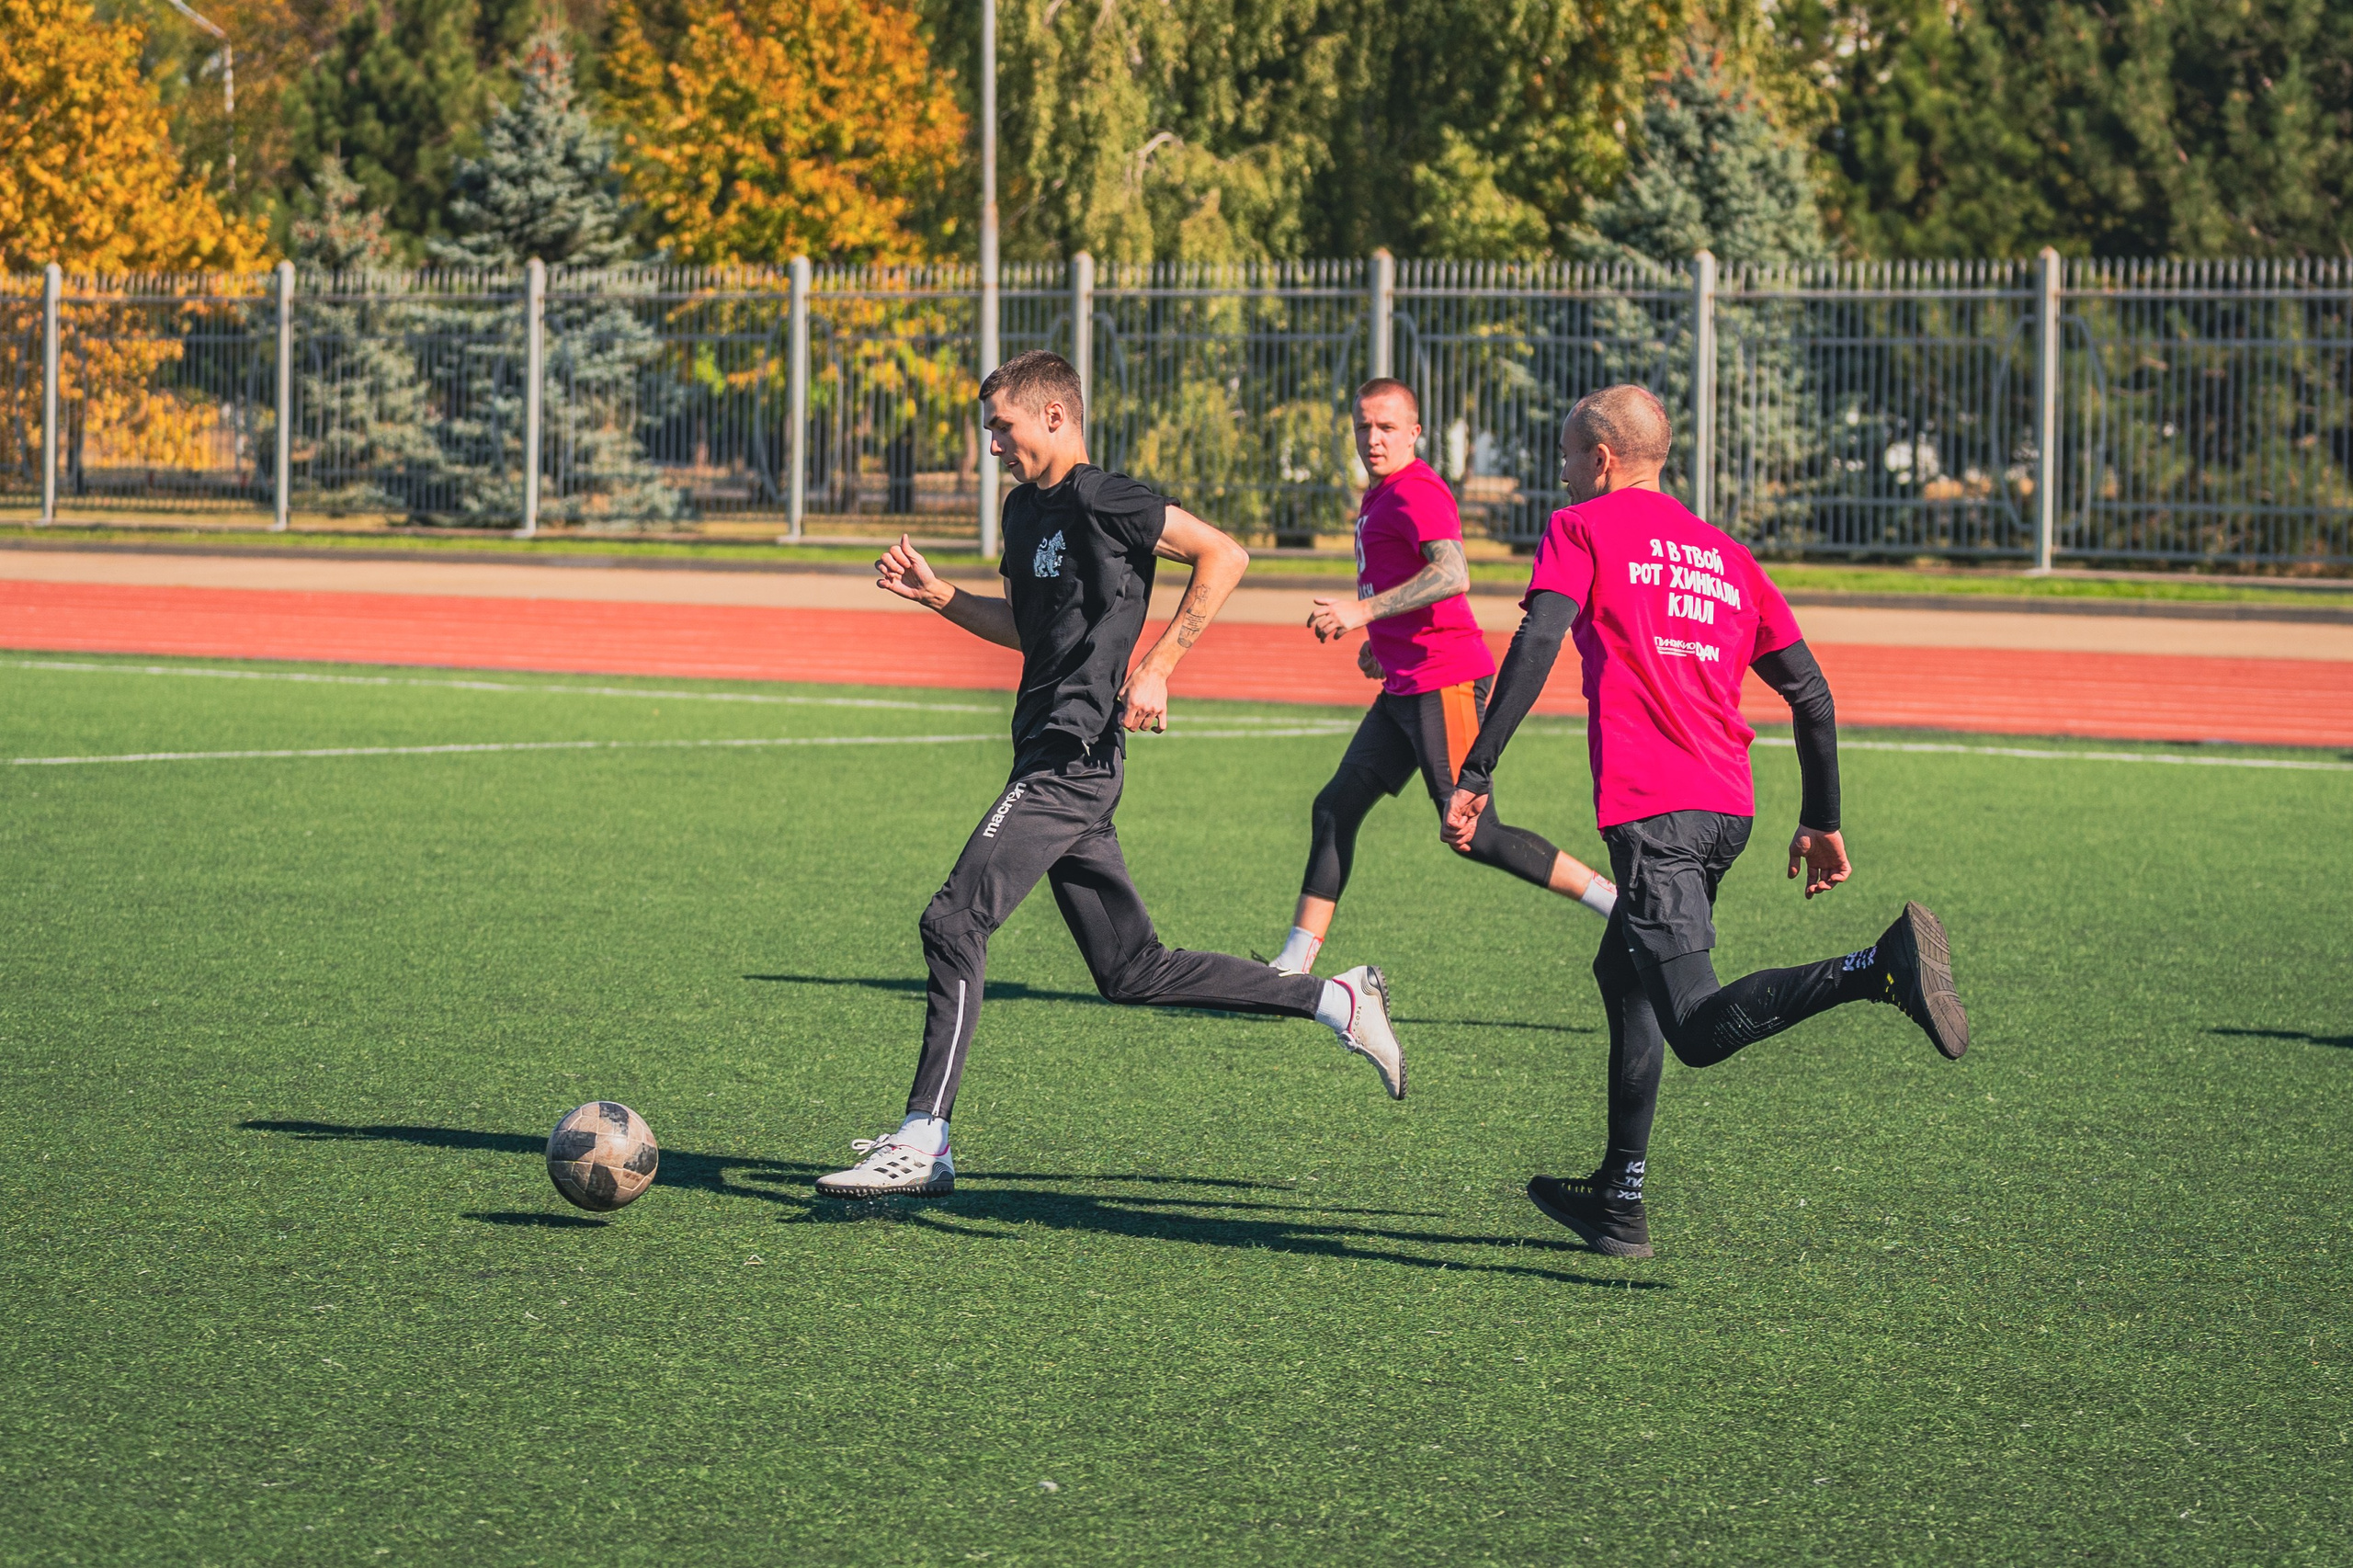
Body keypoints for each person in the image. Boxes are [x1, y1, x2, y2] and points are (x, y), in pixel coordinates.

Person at [816, 350, 1409, 1200]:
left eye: (1003, 427)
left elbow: (1225, 555)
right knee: (1133, 970)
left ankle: (924, 1137)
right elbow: (1029, 627)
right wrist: (940, 596)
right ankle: (1336, 1002)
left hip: (1076, 759)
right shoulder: (1025, 513)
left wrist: (1162, 661)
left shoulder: (1108, 497)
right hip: (1046, 755)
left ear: (1055, 416)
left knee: (952, 920)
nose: (993, 446)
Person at [1442, 383, 1968, 1258]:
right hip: (1728, 807)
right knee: (1627, 974)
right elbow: (1812, 694)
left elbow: (1535, 644)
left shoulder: (1583, 529)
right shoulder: (1725, 555)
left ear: (1602, 461)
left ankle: (1878, 968)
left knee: (1692, 1025)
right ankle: (1618, 1196)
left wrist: (1477, 769)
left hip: (1656, 815)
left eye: (1570, 457)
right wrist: (1823, 818)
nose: (1563, 473)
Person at [1265, 378, 1616, 980]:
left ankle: (1618, 907)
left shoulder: (1417, 490)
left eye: (1387, 428)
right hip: (1404, 685)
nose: (1372, 439)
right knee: (1334, 808)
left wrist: (1362, 613)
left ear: (1415, 433)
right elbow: (1406, 585)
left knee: (1473, 833)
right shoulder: (1380, 494)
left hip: (1445, 682)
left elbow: (1452, 574)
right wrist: (1382, 644)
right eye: (1363, 427)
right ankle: (1294, 964)